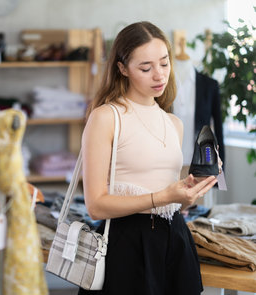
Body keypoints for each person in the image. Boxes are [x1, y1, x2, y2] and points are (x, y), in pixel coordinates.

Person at [79, 21, 218, 295]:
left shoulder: (173, 123)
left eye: (164, 63)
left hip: (174, 237)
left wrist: (193, 188)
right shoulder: (107, 117)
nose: (159, 75)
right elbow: (95, 205)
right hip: (127, 243)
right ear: (122, 68)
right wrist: (164, 197)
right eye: (146, 68)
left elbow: (171, 196)